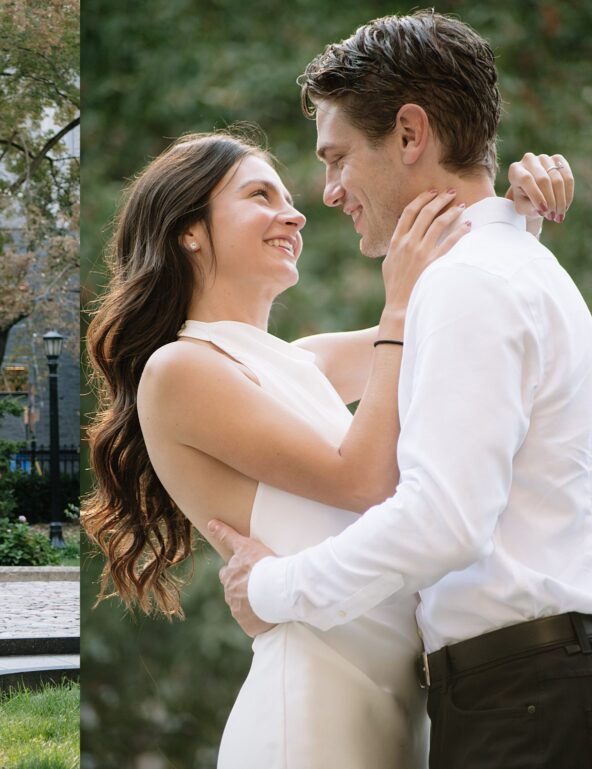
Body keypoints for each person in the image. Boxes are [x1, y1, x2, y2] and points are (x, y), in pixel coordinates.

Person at [211, 11, 592, 769]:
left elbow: (444, 519)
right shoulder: (516, 264)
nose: (327, 192)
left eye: (339, 157)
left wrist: (273, 587)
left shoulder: (470, 282)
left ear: (411, 135)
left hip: (520, 698)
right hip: (533, 686)